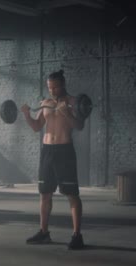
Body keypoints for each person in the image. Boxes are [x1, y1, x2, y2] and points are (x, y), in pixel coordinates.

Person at [21, 70, 85, 250]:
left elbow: (79, 126)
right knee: (45, 193)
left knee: (72, 194)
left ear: (63, 84)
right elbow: (36, 127)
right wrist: (27, 115)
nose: (52, 90)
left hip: (65, 151)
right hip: (47, 151)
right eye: (49, 87)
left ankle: (77, 235)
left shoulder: (73, 102)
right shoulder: (46, 103)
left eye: (55, 87)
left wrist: (68, 114)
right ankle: (43, 232)